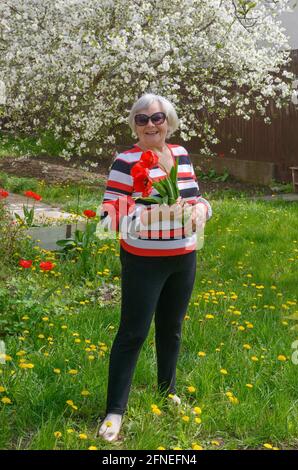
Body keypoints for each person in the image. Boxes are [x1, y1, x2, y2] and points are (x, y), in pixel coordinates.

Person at [97, 93, 212, 442]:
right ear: (134, 124)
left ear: (169, 122)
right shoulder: (126, 160)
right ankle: (115, 410)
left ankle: (167, 391)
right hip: (143, 261)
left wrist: (200, 212)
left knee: (172, 328)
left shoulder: (181, 155)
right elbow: (108, 215)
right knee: (132, 333)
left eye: (157, 118)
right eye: (142, 118)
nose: (150, 124)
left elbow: (197, 198)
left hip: (183, 257)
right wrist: (146, 216)